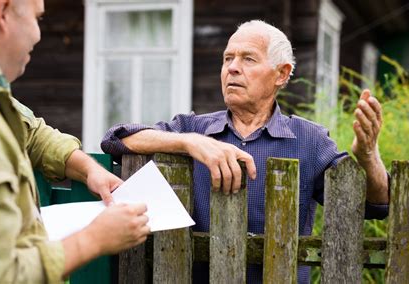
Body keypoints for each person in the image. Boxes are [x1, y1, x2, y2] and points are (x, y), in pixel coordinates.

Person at [101, 20, 389, 283]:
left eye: (248, 58)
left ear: (281, 74)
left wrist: (368, 157)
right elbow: (116, 139)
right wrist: (190, 142)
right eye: (228, 58)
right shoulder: (192, 127)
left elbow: (373, 205)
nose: (232, 68)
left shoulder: (309, 140)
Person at [0, 0, 150, 282]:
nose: (38, 35)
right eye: (36, 18)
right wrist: (94, 239)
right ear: (2, 12)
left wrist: (90, 170)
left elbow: (33, 133)